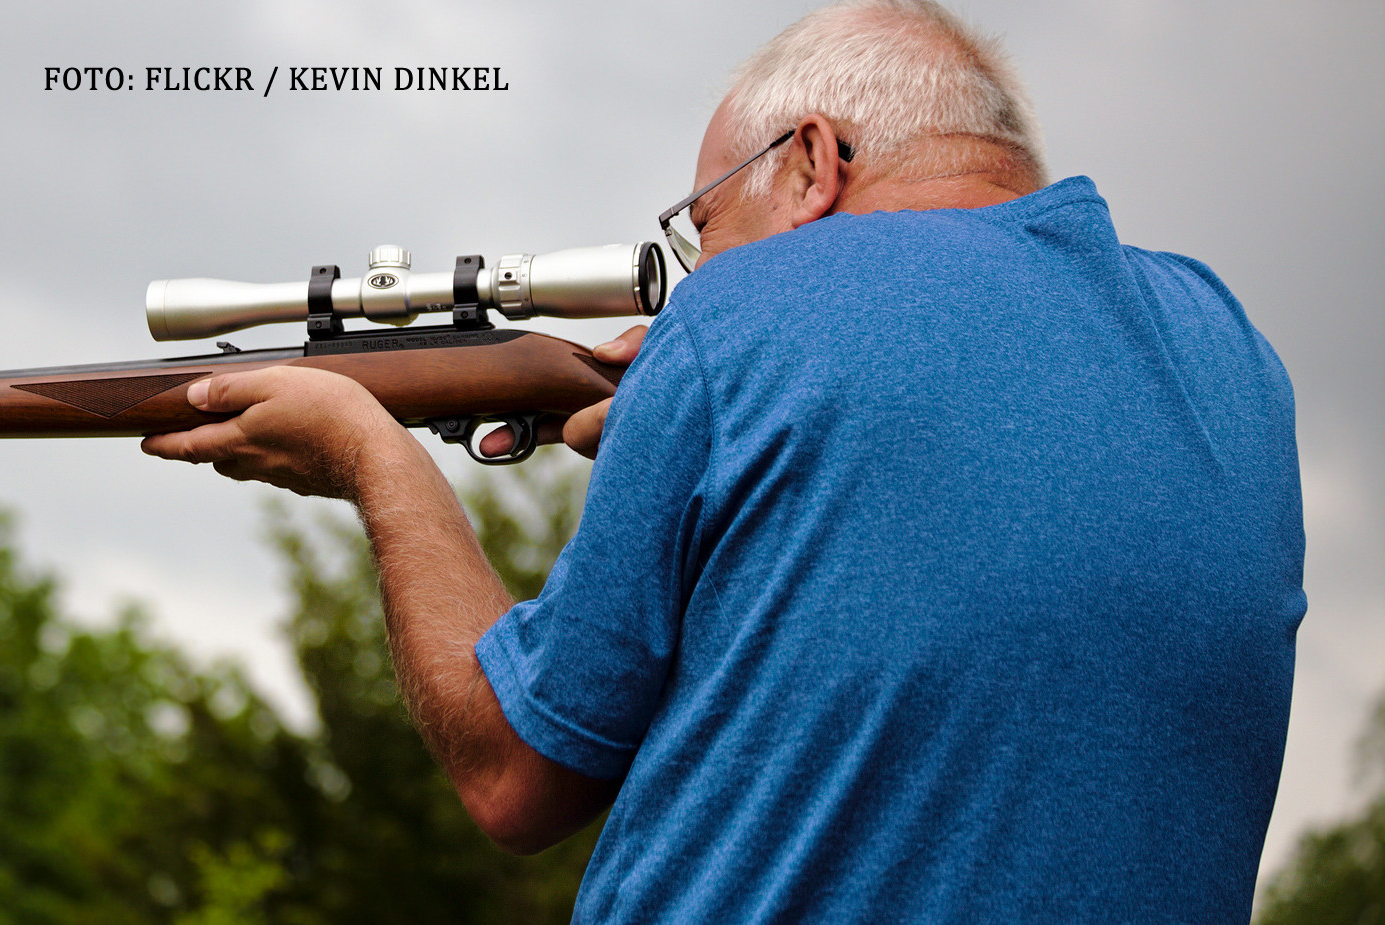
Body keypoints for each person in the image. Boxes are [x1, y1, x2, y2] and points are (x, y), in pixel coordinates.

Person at [143, 1, 1307, 920]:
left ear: (811, 163)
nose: (706, 271)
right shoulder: (1229, 350)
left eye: (704, 225)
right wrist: (694, 421)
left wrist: (368, 449)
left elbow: (515, 772)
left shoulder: (752, 308)